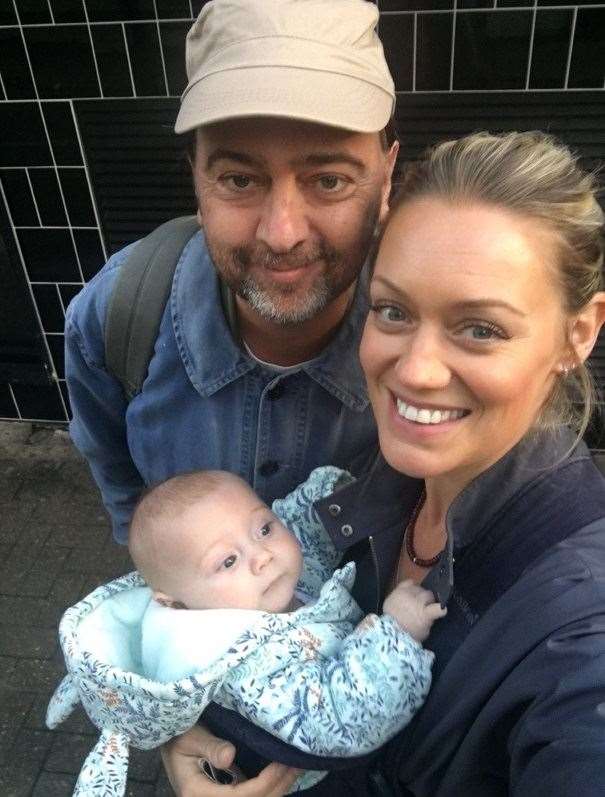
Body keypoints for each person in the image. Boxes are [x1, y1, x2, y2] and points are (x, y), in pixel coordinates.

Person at [164, 132, 605, 796]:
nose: (416, 370)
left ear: (578, 333)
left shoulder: (581, 632)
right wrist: (201, 732)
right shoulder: (370, 483)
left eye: (479, 328)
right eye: (393, 310)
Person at [64, 0, 398, 545]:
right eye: (241, 180)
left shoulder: (436, 341)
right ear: (197, 183)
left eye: (329, 180)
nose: (282, 234)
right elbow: (118, 477)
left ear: (386, 181)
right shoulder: (114, 316)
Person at [47, 467, 443, 795]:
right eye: (228, 561)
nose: (262, 556)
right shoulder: (244, 663)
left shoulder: (263, 592)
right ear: (175, 603)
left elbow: (300, 533)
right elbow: (344, 718)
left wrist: (325, 500)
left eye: (263, 529)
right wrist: (397, 635)